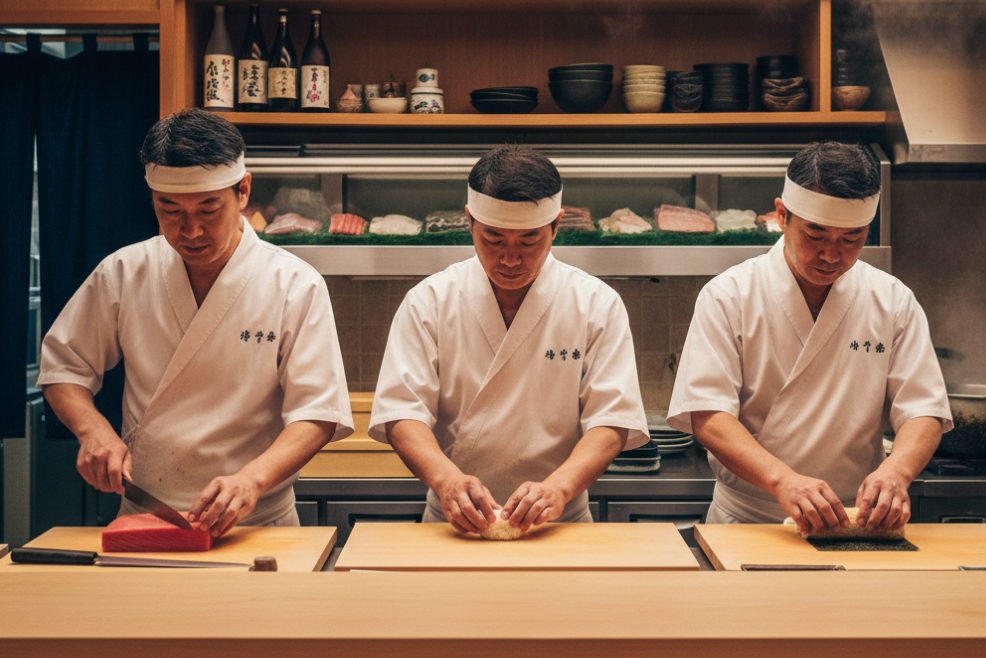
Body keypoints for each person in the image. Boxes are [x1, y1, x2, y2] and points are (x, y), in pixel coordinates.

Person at [38, 108, 353, 536]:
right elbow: (64, 367)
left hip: (256, 519)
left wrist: (252, 479)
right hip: (146, 513)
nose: (190, 230)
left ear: (243, 191)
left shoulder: (295, 284)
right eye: (170, 210)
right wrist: (93, 431)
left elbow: (318, 413)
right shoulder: (125, 272)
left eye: (208, 209)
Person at [667, 141, 951, 534]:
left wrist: (897, 472)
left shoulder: (892, 300)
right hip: (751, 520)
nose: (832, 256)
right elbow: (708, 416)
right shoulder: (729, 295)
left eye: (852, 239)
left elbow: (923, 409)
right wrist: (783, 480)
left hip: (856, 521)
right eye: (816, 235)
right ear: (782, 215)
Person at [369, 145, 649, 534]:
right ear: (469, 221)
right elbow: (402, 413)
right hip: (454, 522)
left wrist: (558, 489)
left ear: (556, 225)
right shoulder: (430, 301)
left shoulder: (595, 304)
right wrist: (447, 481)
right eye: (494, 239)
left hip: (559, 521)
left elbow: (612, 420)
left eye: (529, 240)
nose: (511, 259)